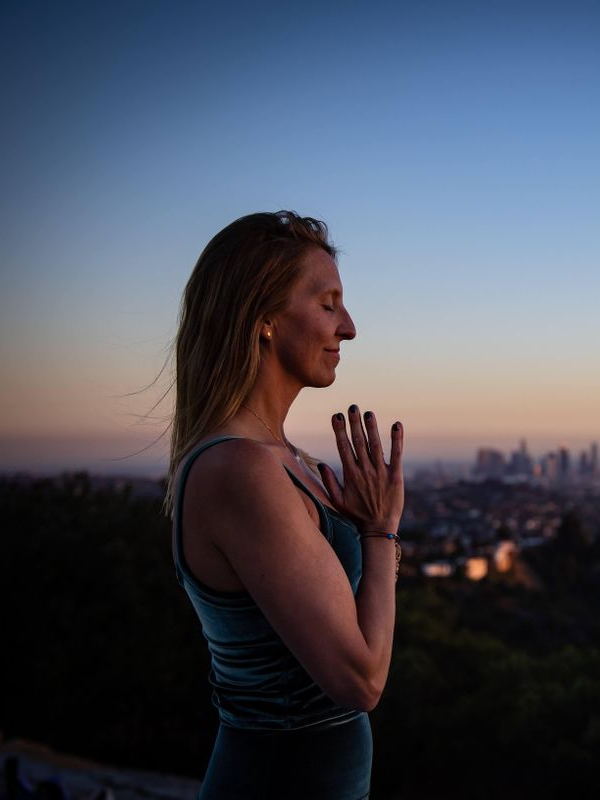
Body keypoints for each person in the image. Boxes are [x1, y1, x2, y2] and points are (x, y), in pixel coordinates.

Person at [165, 211, 403, 799]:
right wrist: (379, 534)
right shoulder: (242, 472)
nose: (348, 328)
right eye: (328, 304)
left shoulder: (290, 465)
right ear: (265, 319)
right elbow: (361, 679)